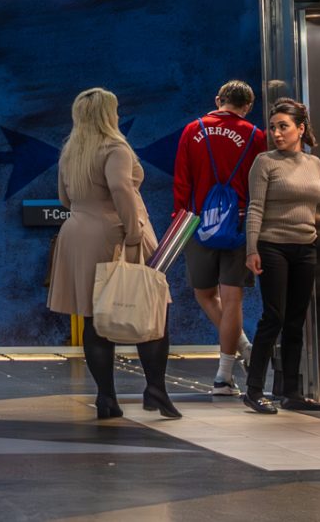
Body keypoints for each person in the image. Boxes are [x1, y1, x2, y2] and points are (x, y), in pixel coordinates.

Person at [47, 87, 180, 421]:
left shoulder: (70, 151)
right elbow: (121, 189)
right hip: (114, 233)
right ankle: (156, 388)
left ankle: (106, 397)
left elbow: (64, 198)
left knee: (94, 317)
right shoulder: (115, 148)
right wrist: (134, 232)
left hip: (77, 234)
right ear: (108, 114)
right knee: (151, 310)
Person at [241, 96, 320, 415]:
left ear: (301, 129)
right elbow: (255, 208)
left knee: (296, 321)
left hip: (305, 248)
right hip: (272, 246)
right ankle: (254, 390)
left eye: (283, 126)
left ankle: (291, 393)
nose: (276, 133)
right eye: (273, 127)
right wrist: (252, 249)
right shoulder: (264, 162)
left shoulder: (314, 164)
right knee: (274, 317)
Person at [170, 80, 265, 394]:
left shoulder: (192, 130)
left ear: (218, 100)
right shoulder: (255, 136)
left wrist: (180, 220)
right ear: (247, 106)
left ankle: (242, 351)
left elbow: (182, 181)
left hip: (198, 225)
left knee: (204, 294)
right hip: (240, 226)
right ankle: (225, 374)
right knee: (233, 298)